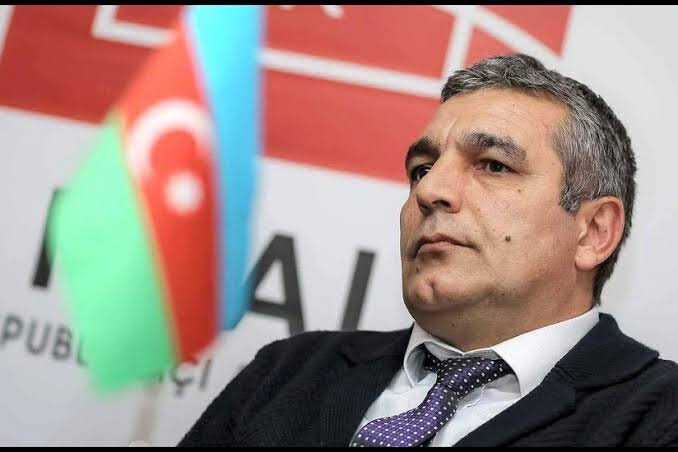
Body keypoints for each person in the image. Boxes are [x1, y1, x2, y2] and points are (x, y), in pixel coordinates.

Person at [178, 53, 678, 447]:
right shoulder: (289, 372)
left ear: (593, 232)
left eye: (493, 165)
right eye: (421, 169)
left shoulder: (658, 417)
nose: (429, 190)